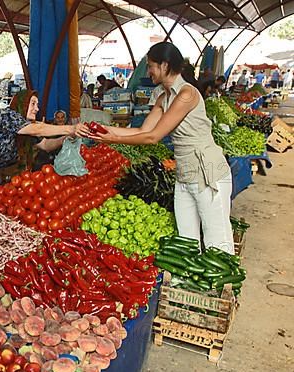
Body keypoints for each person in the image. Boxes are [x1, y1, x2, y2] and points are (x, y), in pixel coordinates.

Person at [90, 42, 234, 254]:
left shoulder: (187, 95)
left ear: (165, 65)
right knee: (186, 240)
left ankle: (225, 286)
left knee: (217, 238)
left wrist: (112, 139)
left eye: (151, 66)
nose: (148, 71)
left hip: (208, 171)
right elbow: (142, 130)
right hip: (185, 173)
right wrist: (103, 130)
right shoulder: (163, 97)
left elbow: (153, 137)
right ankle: (187, 285)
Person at [0, 90, 91, 192]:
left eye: (37, 105)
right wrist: (71, 129)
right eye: (33, 104)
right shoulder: (8, 115)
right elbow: (37, 129)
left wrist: (68, 137)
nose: (37, 109)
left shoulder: (25, 128)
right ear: (23, 103)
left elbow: (45, 145)